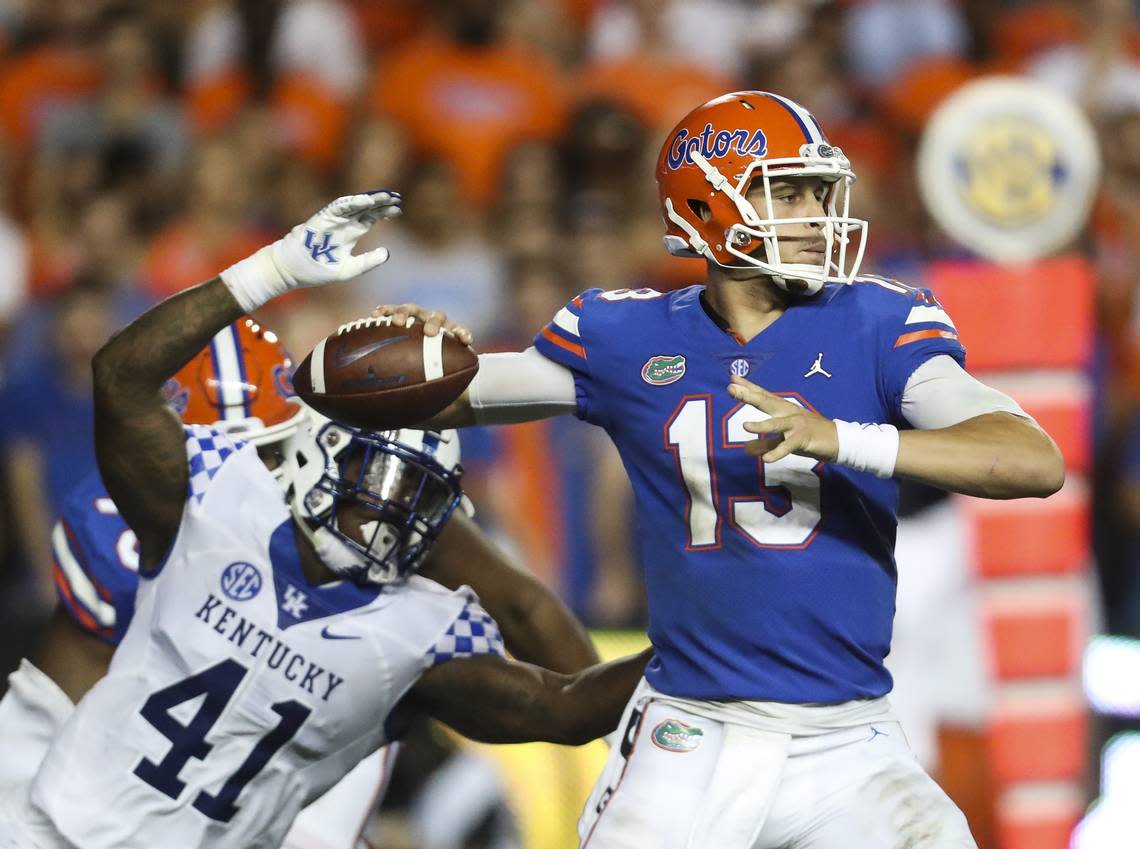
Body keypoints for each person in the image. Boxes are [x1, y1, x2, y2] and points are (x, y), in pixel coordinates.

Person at [375, 91, 1066, 848]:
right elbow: (456, 396)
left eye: (817, 190)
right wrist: (418, 357)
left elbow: (1030, 459)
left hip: (849, 738)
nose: (816, 212)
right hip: (689, 731)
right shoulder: (624, 332)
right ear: (711, 204)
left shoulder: (877, 320)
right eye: (789, 191)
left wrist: (845, 438)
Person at [0, 192, 651, 849]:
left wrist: (396, 380)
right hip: (59, 810)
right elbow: (121, 382)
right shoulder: (191, 505)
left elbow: (545, 665)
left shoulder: (400, 615)